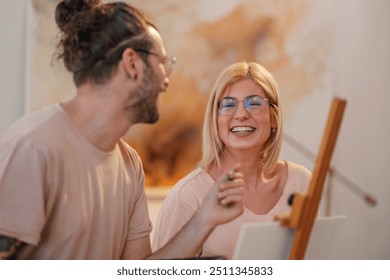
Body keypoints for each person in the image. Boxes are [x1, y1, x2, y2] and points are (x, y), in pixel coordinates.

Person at [0, 0, 244, 260]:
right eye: (162, 62)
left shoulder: (130, 164)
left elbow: (137, 270)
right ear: (132, 63)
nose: (166, 79)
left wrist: (204, 219)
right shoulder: (32, 147)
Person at [152, 61, 312, 259]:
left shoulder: (301, 182)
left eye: (253, 103)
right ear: (215, 119)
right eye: (228, 105)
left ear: (274, 118)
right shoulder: (187, 197)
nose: (241, 115)